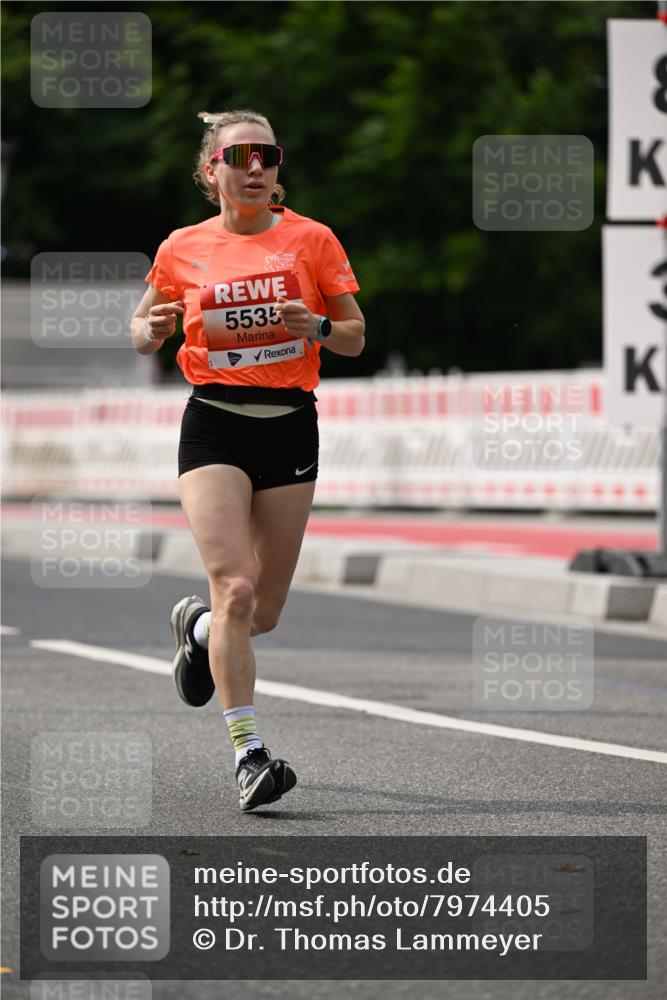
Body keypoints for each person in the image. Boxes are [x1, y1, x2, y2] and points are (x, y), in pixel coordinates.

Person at [130, 110, 364, 812]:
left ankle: (197, 631)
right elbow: (142, 331)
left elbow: (353, 337)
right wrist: (151, 326)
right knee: (232, 585)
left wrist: (318, 325)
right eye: (240, 155)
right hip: (214, 429)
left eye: (266, 154)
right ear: (214, 171)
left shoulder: (310, 239)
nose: (256, 166)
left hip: (290, 429)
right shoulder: (182, 247)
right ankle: (249, 756)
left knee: (260, 613)